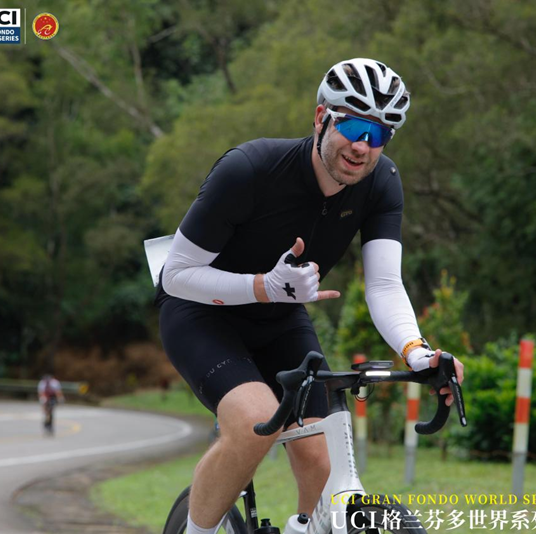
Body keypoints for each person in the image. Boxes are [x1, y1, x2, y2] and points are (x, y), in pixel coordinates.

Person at [155, 58, 465, 533]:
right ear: (322, 118)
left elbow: (384, 284)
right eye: (354, 127)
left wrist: (417, 351)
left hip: (279, 317)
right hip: (200, 314)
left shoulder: (382, 183)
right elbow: (175, 275)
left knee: (320, 457)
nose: (363, 146)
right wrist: (263, 285)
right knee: (256, 420)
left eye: (379, 134)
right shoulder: (250, 169)